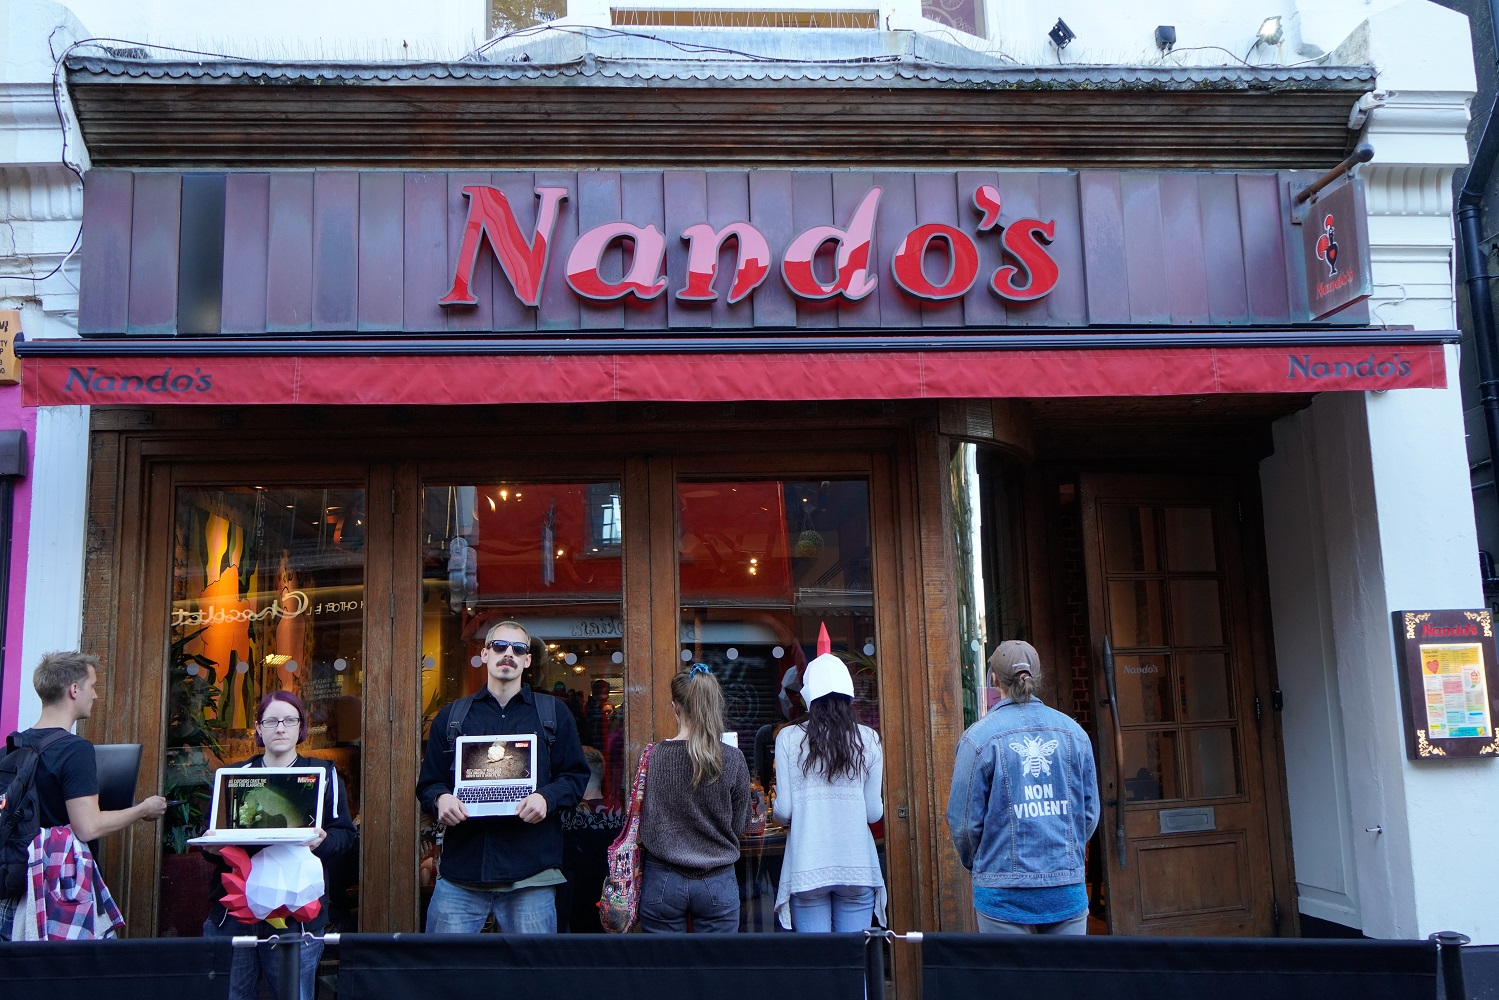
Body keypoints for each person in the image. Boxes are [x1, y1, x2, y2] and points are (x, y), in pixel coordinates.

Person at [417, 619, 589, 933]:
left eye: (518, 648)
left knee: (531, 978)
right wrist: (440, 799)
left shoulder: (553, 714)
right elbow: (429, 782)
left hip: (531, 874)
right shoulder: (453, 717)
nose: (507, 653)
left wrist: (545, 798)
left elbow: (575, 777)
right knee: (443, 973)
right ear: (484, 654)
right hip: (462, 872)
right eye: (499, 646)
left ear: (527, 660)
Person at [0, 651, 168, 939]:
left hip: (15, 885)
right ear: (74, 690)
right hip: (57, 888)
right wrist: (143, 809)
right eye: (93, 686)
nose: (96, 695)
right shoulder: (75, 749)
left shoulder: (10, 749)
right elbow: (87, 826)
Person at [202, 691, 358, 1000]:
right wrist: (211, 846)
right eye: (271, 721)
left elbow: (345, 834)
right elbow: (207, 834)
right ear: (258, 729)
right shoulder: (235, 776)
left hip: (296, 915)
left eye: (289, 720)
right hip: (234, 912)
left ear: (301, 727)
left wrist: (322, 842)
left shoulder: (323, 774)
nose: (281, 728)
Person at [946, 640, 1099, 935]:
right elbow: (1089, 814)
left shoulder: (977, 739)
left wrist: (981, 865)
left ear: (994, 679)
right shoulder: (1075, 734)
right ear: (1036, 677)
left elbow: (964, 825)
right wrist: (1068, 852)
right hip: (1065, 888)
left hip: (1003, 893)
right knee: (1066, 982)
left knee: (1009, 982)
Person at [772, 651, 886, 932]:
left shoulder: (788, 738)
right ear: (848, 695)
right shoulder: (868, 739)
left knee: (819, 967)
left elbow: (784, 810)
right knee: (853, 961)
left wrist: (778, 816)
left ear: (808, 695)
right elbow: (874, 813)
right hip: (857, 864)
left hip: (808, 864)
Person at [637, 665, 750, 933]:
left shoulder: (651, 757)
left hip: (662, 878)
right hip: (717, 878)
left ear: (676, 707)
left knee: (665, 973)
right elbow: (740, 825)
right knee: (717, 972)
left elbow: (643, 818)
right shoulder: (733, 758)